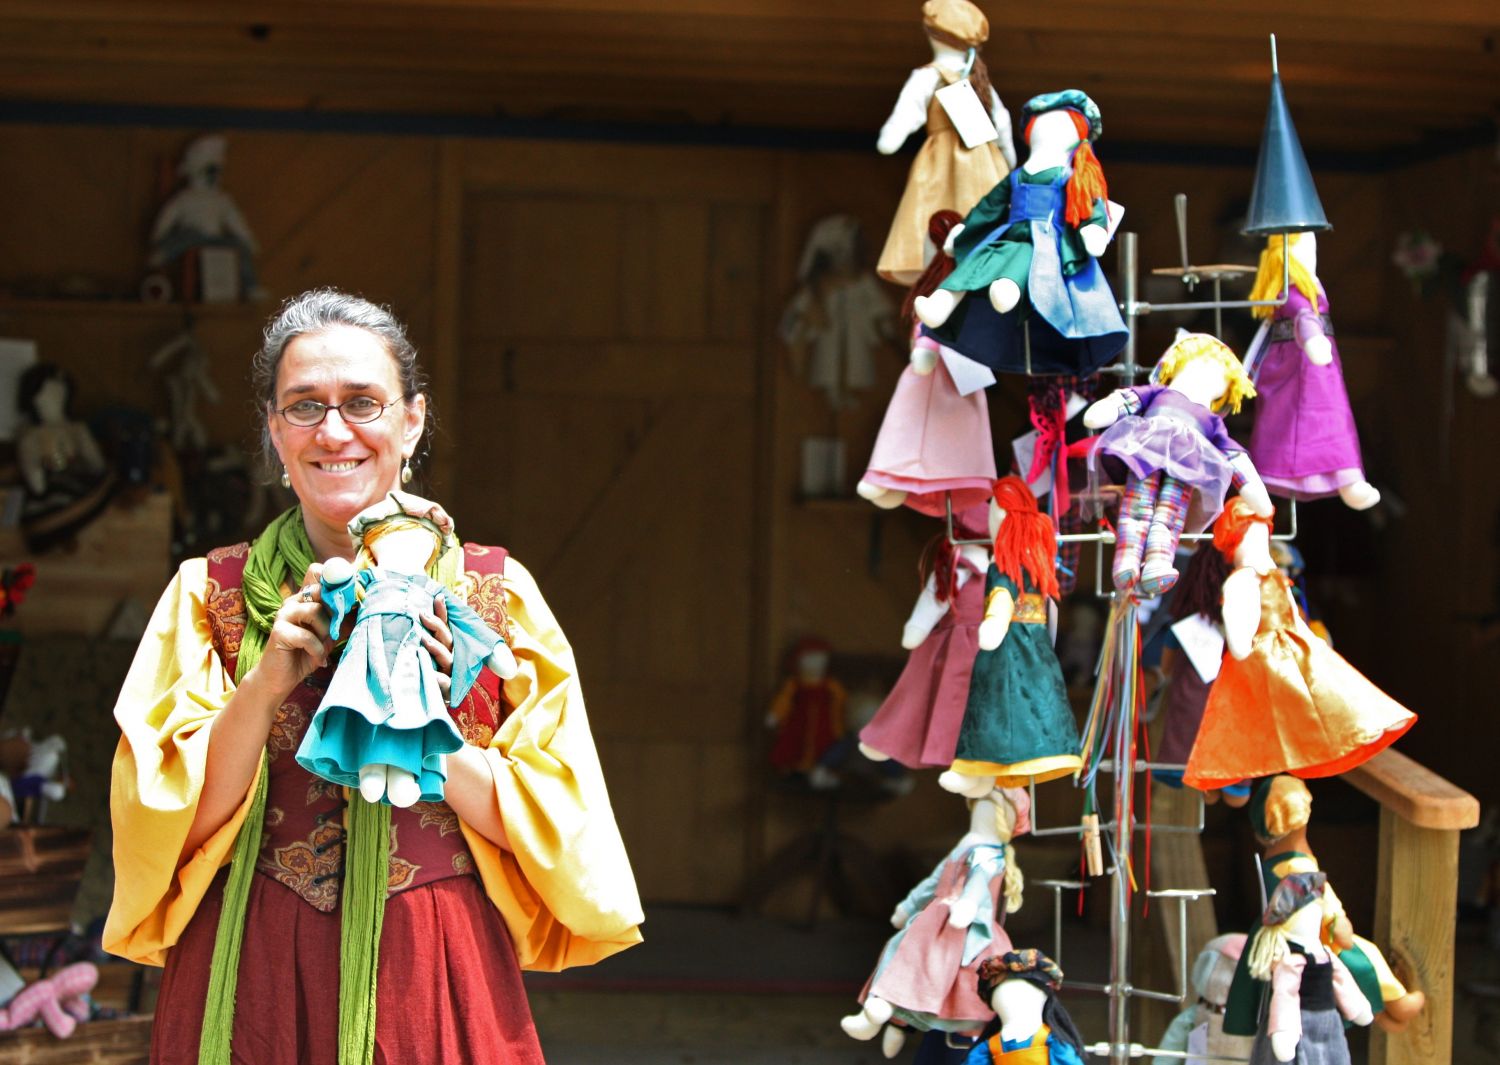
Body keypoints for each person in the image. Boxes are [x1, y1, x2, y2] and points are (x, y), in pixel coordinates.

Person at [104, 289, 643, 1064]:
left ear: (412, 420)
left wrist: (420, 722)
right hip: (248, 964)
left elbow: (561, 826)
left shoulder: (494, 593)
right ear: (273, 430)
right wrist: (267, 680)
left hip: (434, 968)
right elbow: (165, 825)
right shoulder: (209, 594)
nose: (334, 431)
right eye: (304, 406)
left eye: (362, 402)